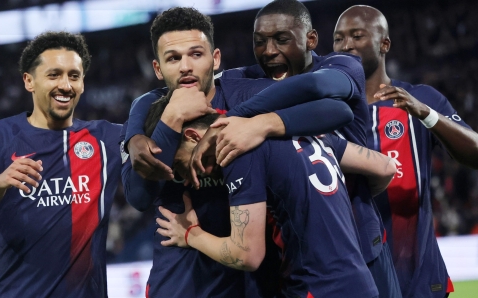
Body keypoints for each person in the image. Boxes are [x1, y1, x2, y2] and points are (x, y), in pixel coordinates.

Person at [122, 6, 355, 298]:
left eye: (196, 54)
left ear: (215, 59)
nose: (185, 67)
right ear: (158, 69)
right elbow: (139, 197)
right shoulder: (148, 116)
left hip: (253, 281)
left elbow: (337, 110)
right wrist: (171, 120)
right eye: (173, 58)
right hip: (179, 285)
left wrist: (263, 124)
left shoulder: (247, 95)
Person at [146, 98, 396, 297]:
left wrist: (191, 234)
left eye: (183, 165)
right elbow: (385, 168)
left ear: (193, 136)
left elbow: (247, 255)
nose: (196, 176)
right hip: (360, 283)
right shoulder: (301, 130)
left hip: (315, 287)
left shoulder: (239, 150)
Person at [0, 31, 125, 297]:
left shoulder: (106, 138)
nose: (65, 85)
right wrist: (0, 183)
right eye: (54, 74)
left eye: (74, 75)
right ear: (29, 81)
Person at [333, 5, 478, 298]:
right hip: (353, 278)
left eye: (357, 35)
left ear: (384, 43)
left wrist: (427, 114)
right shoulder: (326, 111)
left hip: (419, 279)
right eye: (338, 38)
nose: (345, 45)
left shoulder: (421, 99)